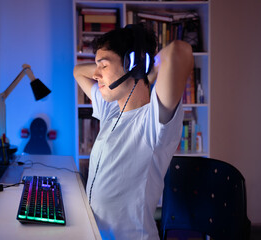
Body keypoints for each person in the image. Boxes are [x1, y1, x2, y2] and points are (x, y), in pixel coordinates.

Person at [73, 23, 193, 240]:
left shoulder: (154, 121)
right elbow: (77, 71)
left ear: (132, 64)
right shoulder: (110, 109)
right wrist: (106, 67)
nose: (96, 74)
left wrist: (146, 70)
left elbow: (179, 51)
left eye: (104, 65)